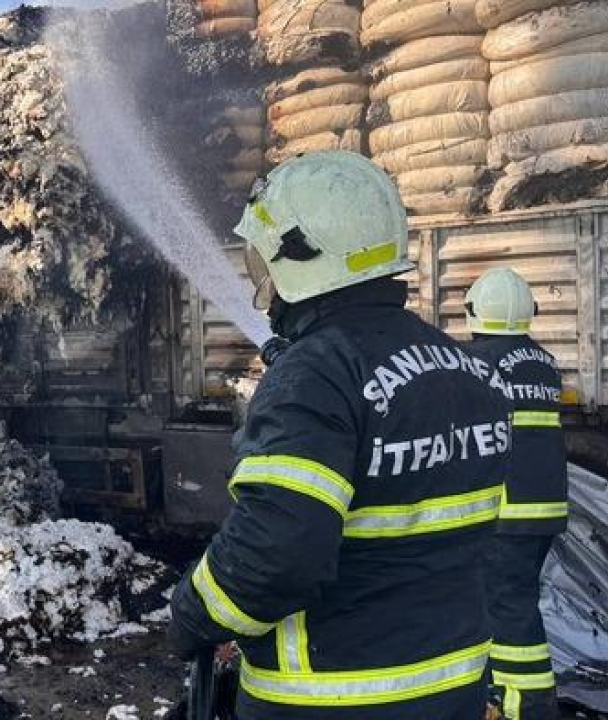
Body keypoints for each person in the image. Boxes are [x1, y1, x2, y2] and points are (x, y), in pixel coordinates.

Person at [168, 151, 513, 720]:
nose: (265, 286)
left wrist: (194, 612)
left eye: (267, 264)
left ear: (302, 257)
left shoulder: (314, 375)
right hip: (455, 689)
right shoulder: (466, 368)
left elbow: (278, 550)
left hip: (333, 697)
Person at [465, 268, 568, 720]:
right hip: (545, 509)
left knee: (507, 608)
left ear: (475, 313)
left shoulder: (477, 363)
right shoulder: (543, 362)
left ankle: (522, 706)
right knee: (514, 599)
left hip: (503, 511)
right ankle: (503, 695)